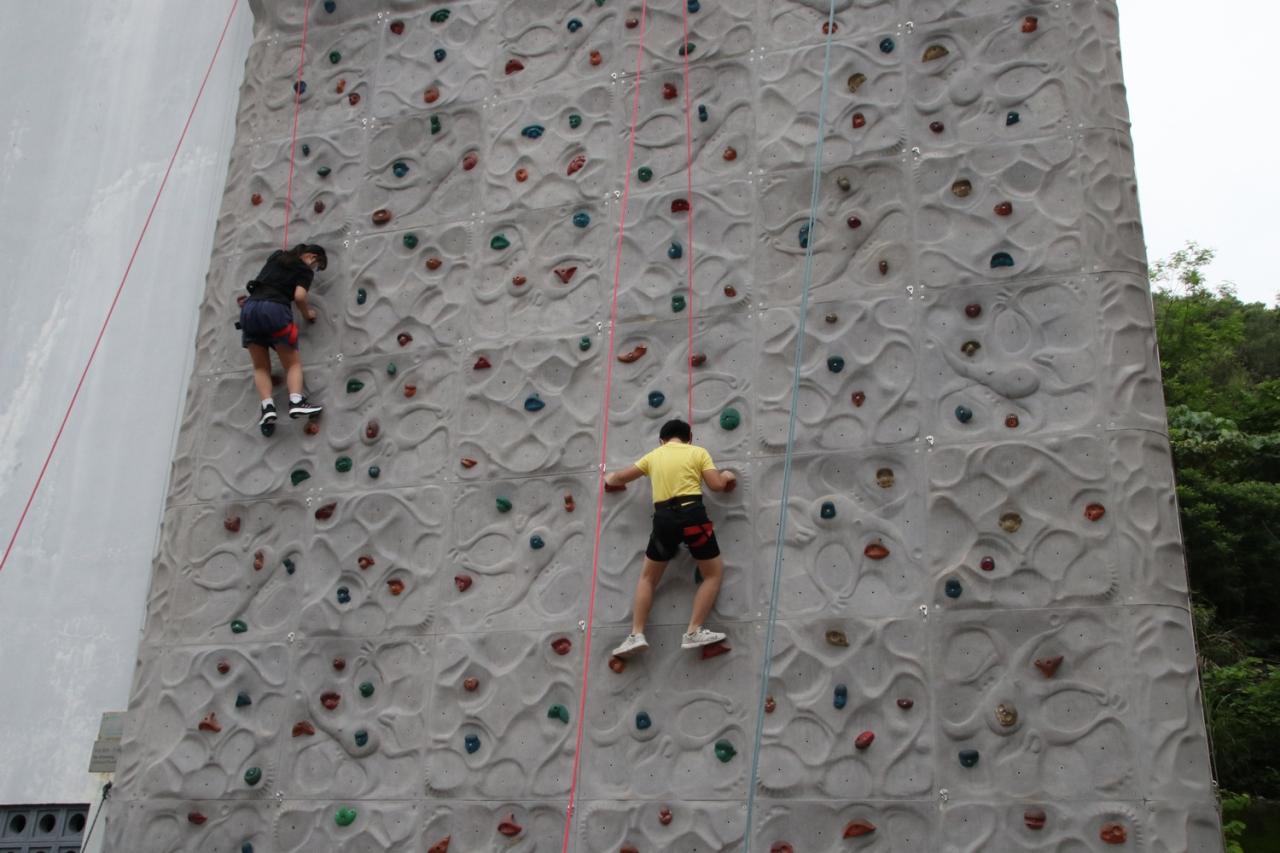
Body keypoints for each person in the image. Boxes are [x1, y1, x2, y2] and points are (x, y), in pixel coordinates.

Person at [604, 418, 737, 656]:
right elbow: (716, 485)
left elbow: (620, 477)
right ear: (689, 438)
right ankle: (693, 631)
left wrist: (609, 479)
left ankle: (636, 634)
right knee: (712, 574)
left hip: (664, 520)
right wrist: (726, 476)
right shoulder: (698, 452)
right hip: (693, 516)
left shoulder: (654, 456)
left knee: (648, 578)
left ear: (661, 440)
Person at [238, 243, 327, 428]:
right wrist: (307, 314)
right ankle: (296, 401)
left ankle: (267, 407)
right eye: (316, 266)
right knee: (292, 364)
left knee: (260, 367)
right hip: (274, 309)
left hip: (249, 310)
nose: (313, 269)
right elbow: (299, 296)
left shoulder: (276, 257)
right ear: (311, 257)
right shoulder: (304, 270)